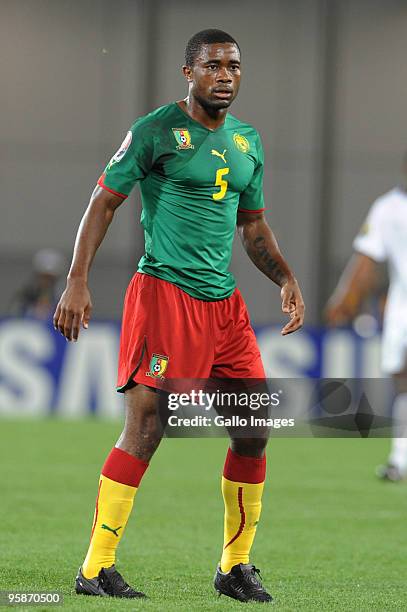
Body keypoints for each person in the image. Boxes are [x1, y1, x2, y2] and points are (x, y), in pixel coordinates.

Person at [53, 29, 304, 602]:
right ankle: (96, 567)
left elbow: (253, 226)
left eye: (234, 66)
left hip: (226, 308)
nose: (225, 75)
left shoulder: (247, 142)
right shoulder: (156, 131)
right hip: (165, 297)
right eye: (213, 65)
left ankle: (234, 567)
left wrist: (285, 276)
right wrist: (77, 279)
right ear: (187, 73)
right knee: (145, 429)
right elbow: (104, 202)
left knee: (253, 431)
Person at [326, 154, 407, 481]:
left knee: (403, 383)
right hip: (403, 307)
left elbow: (364, 261)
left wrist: (343, 299)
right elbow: (366, 262)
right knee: (402, 382)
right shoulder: (388, 208)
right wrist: (346, 298)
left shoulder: (387, 208)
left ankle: (401, 460)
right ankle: (400, 460)